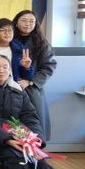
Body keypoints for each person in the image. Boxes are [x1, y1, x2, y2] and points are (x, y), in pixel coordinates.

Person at [13, 10, 57, 140]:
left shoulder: (42, 43)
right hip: (10, 86)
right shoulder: (9, 39)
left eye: (31, 21)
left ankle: (36, 148)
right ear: (16, 23)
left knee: (34, 124)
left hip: (32, 89)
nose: (28, 24)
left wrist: (31, 82)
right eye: (24, 20)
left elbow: (49, 67)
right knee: (12, 123)